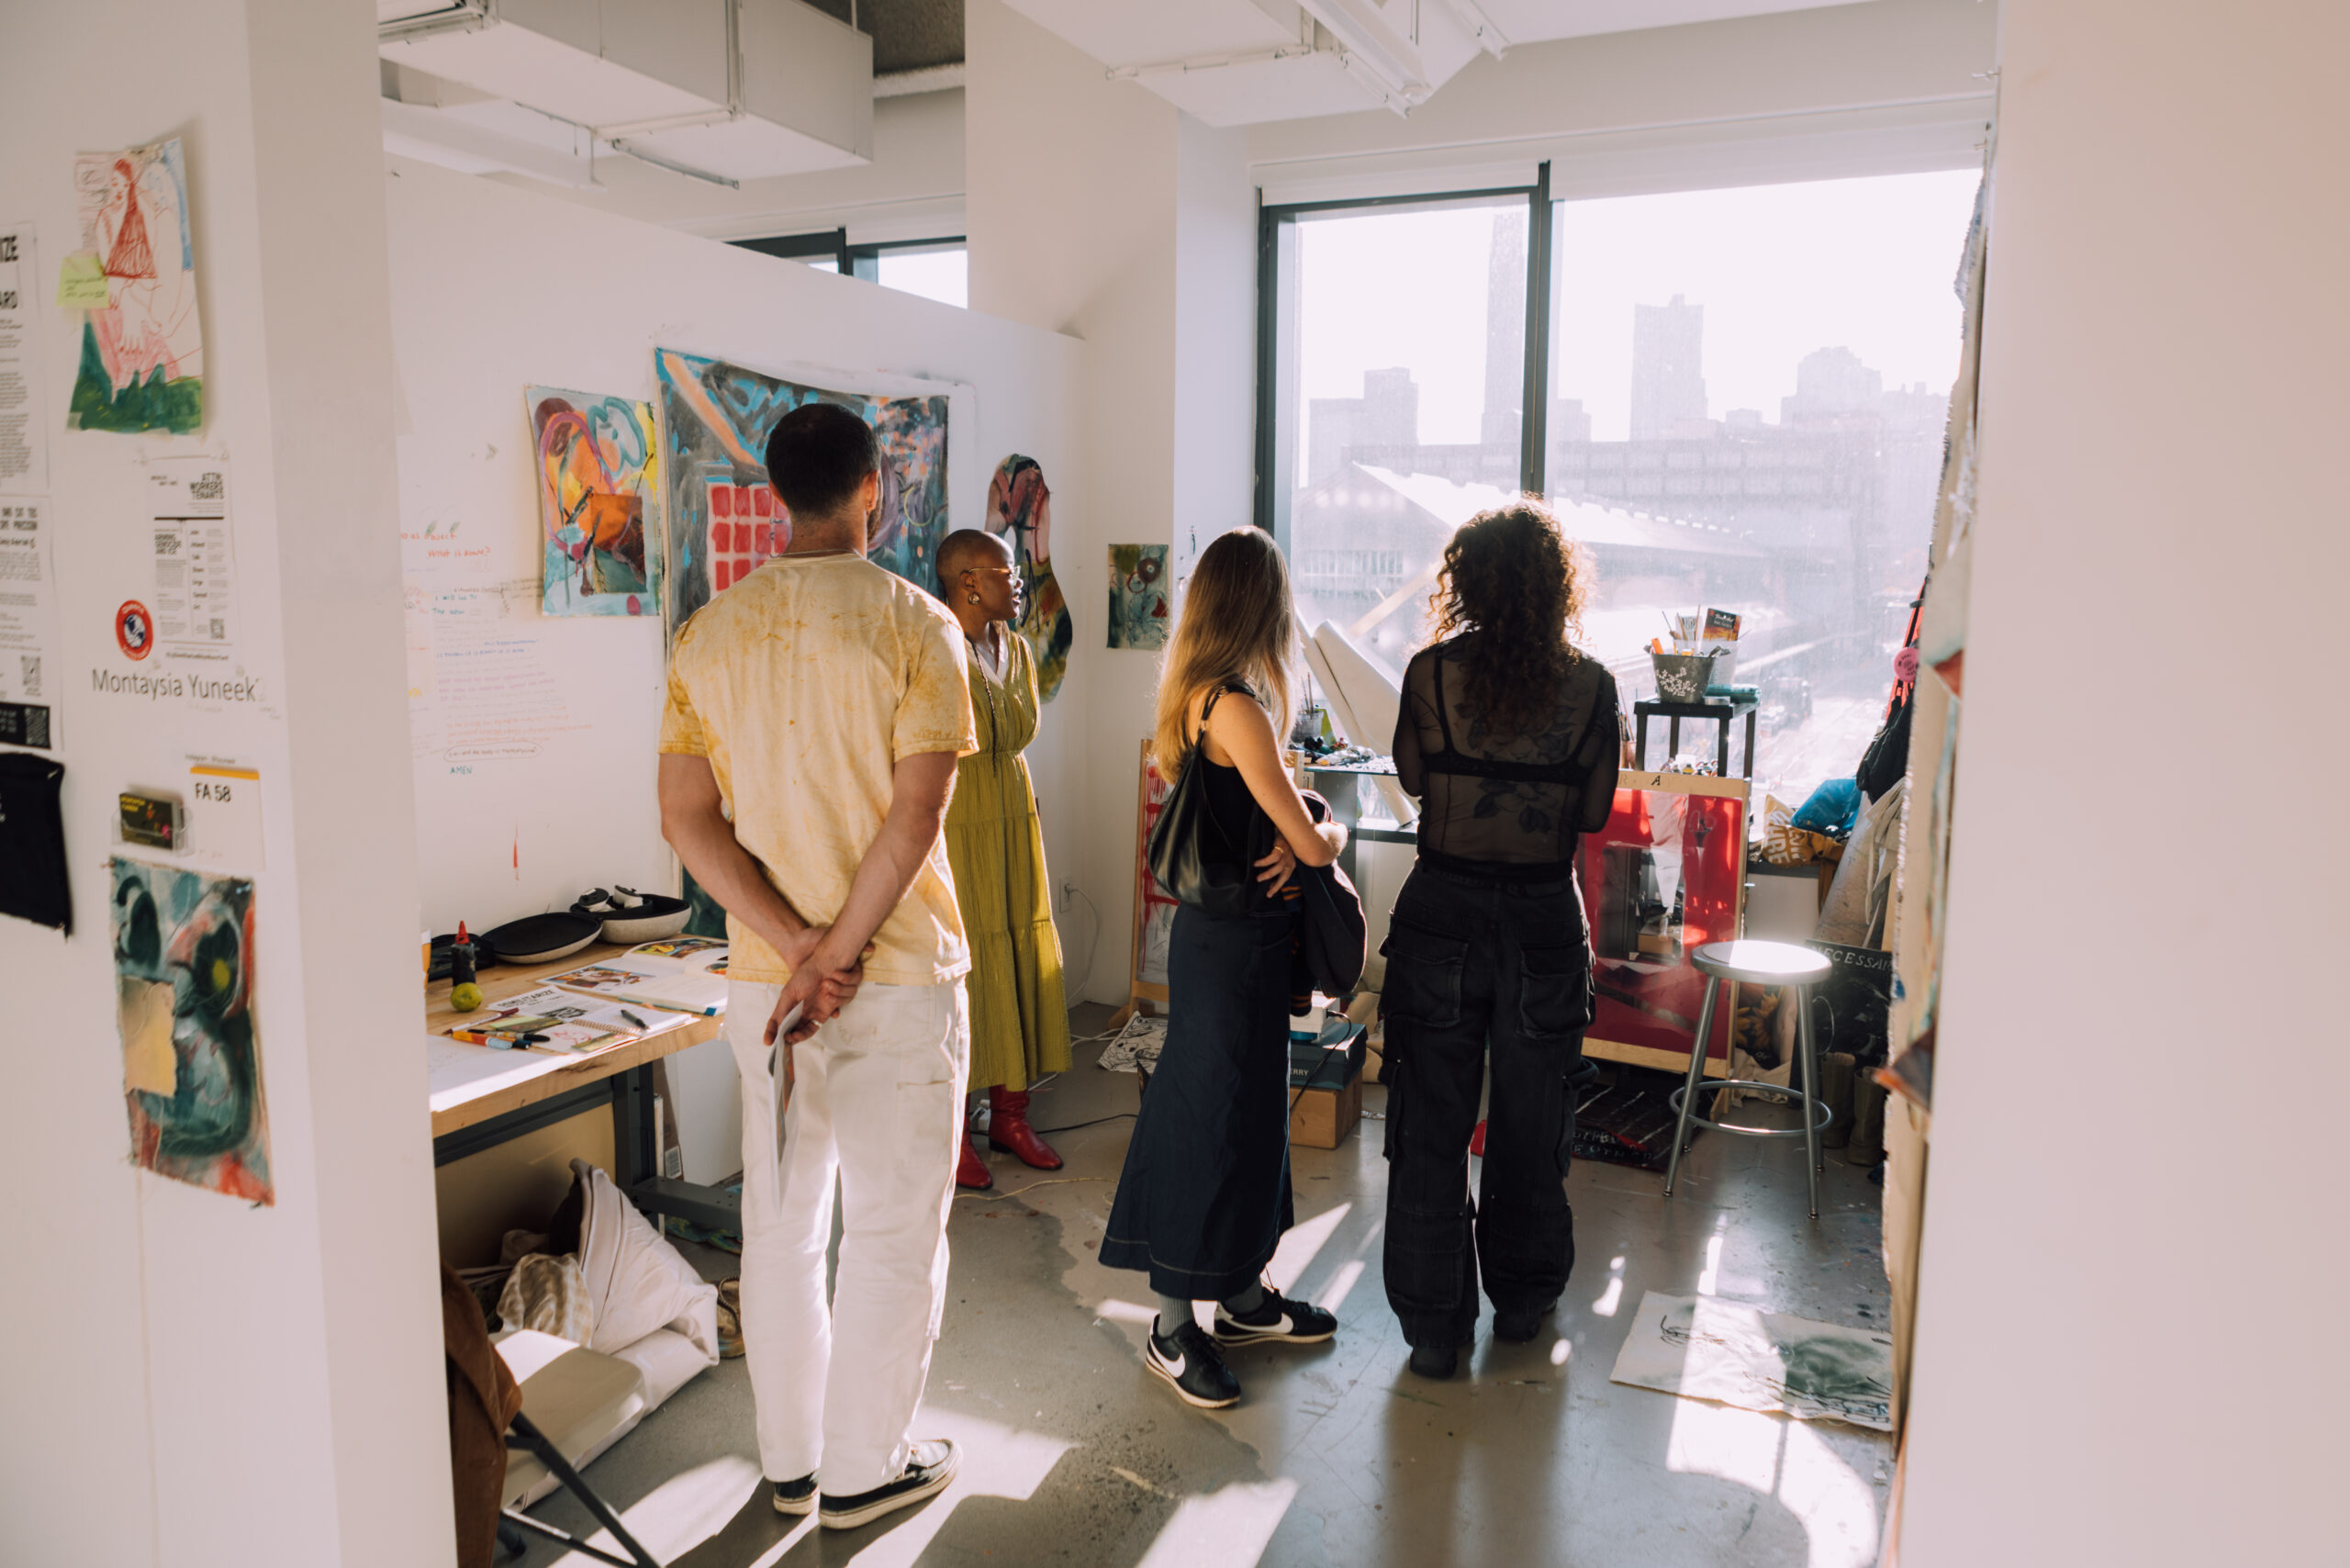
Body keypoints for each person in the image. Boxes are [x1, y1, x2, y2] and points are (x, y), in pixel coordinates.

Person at [657, 402, 977, 1530]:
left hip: (766, 986)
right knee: (892, 1229)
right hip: (890, 982)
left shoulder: (709, 634)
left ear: (775, 491)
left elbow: (687, 821)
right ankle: (859, 1471)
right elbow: (916, 814)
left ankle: (791, 1461)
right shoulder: (915, 625)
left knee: (784, 1223)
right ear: (870, 492)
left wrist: (792, 948)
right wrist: (835, 951)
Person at [1101, 527, 1342, 1409]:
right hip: (1231, 946)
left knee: (1245, 1118)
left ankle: (1240, 1297)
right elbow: (1314, 843)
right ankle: (1173, 1325)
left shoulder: (1198, 694)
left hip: (1228, 938)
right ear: (1262, 606)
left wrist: (1298, 830)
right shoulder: (1236, 705)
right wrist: (1330, 831)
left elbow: (1271, 819)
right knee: (1206, 1117)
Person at [1381, 500, 1623, 1379]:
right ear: (1558, 589)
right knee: (1532, 1123)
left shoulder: (1430, 674)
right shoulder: (1592, 686)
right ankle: (1521, 1303)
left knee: (1428, 1127)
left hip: (1439, 910)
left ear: (1467, 581)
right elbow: (1592, 813)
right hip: (1542, 923)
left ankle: (1434, 1331)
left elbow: (1414, 777)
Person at [932, 528, 1072, 1190]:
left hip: (1016, 811)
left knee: (1018, 952)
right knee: (969, 964)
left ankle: (1010, 1115)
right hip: (959, 816)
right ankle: (955, 1132)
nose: (1017, 582)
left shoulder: (1013, 648)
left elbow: (1016, 733)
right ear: (968, 583)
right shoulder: (935, 648)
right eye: (1005, 572)